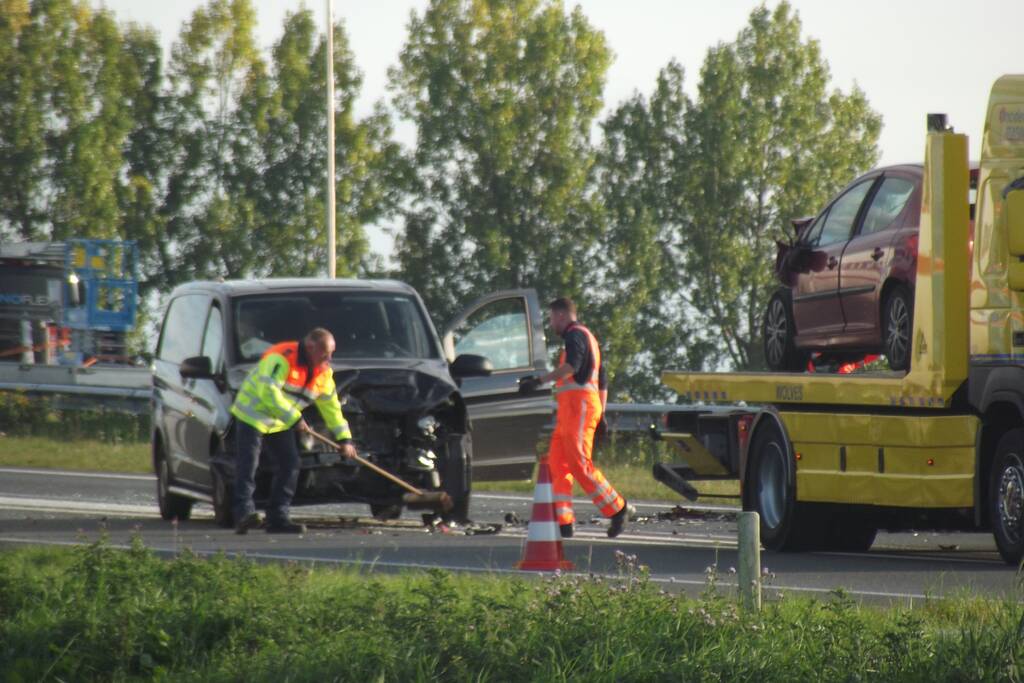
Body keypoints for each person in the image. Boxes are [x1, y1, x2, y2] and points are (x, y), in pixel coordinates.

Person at [519, 297, 629, 538]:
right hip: (570, 413)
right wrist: (602, 413)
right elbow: (603, 378)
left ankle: (617, 509)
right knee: (556, 464)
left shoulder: (575, 336)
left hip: (579, 410)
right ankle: (564, 522)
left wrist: (538, 382)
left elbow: (572, 366)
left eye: (551, 319)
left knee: (579, 464)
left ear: (561, 315)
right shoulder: (586, 338)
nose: (551, 324)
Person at [229, 327, 356, 534]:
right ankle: (243, 515)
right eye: (325, 353)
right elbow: (267, 392)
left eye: (331, 353)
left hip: (279, 422)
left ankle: (278, 517)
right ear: (310, 347)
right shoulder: (281, 358)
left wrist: (345, 439)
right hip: (252, 415)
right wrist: (294, 418)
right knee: (248, 465)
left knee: (290, 464)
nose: (329, 358)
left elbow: (332, 408)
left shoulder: (324, 374)